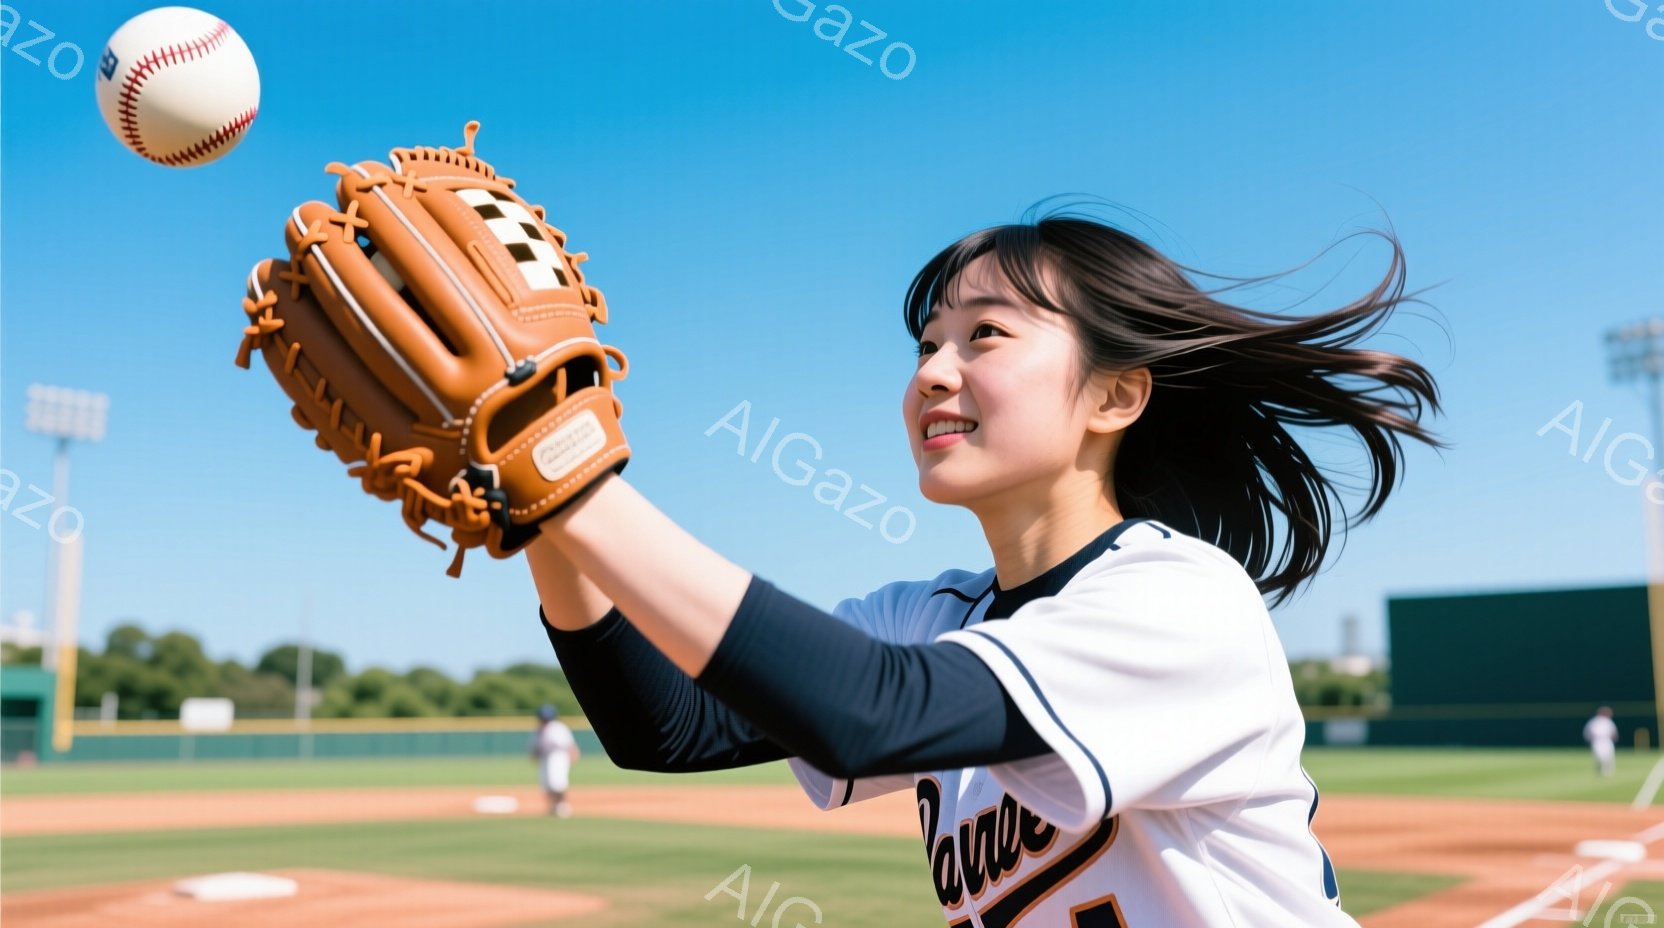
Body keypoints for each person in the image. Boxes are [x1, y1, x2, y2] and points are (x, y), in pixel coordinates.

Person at [525, 206, 1443, 926]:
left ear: (1116, 396)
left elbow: (870, 714)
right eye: (928, 345)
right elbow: (669, 728)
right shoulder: (931, 619)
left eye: (986, 334)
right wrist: (539, 511)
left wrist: (576, 481)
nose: (933, 371)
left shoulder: (1178, 598)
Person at [529, 704, 580, 817]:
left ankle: (562, 805)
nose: (544, 719)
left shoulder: (558, 728)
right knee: (546, 784)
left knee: (557, 783)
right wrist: (534, 756)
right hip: (545, 758)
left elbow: (569, 744)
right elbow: (536, 747)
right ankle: (552, 806)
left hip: (558, 757)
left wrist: (573, 754)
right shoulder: (539, 730)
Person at [1585, 706, 1619, 777]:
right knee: (1599, 756)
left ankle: (1608, 772)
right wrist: (1589, 740)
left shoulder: (1608, 721)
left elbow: (1613, 732)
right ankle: (1599, 771)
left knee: (1609, 756)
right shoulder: (1594, 721)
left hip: (1607, 740)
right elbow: (1588, 732)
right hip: (1597, 740)